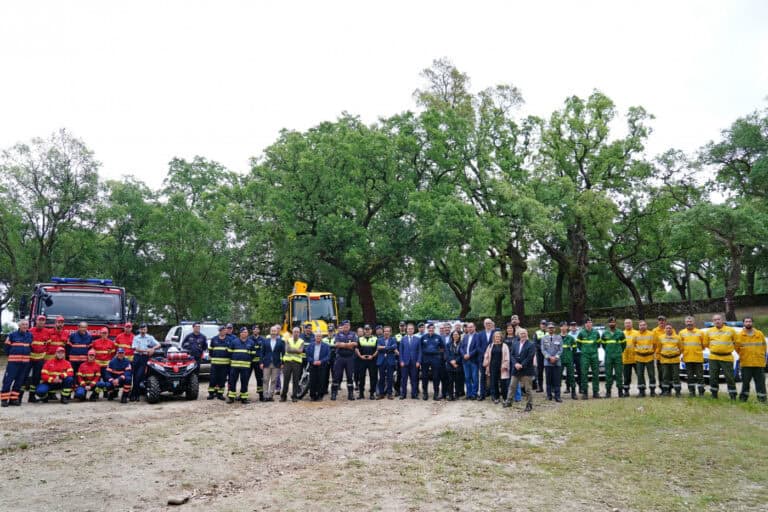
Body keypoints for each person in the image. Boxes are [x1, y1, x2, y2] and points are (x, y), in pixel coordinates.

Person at [1, 320, 33, 407]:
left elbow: (31, 348)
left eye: (26, 324)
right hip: (13, 363)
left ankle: (13, 399)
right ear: (19, 325)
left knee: (19, 381)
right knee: (8, 381)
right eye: (23, 324)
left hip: (24, 363)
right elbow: (6, 348)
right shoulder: (12, 335)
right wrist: (12, 356)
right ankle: (4, 399)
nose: (25, 326)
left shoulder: (30, 335)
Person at [503, 329, 535, 412]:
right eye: (521, 333)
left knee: (528, 389)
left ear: (527, 334)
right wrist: (515, 364)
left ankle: (529, 404)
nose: (523, 335)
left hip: (527, 369)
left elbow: (530, 357)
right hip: (516, 369)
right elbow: (512, 355)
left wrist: (522, 365)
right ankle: (509, 401)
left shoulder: (531, 344)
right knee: (512, 386)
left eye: (524, 333)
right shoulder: (515, 343)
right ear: (518, 335)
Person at [707, 314, 737, 400]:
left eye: (718, 319)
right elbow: (706, 343)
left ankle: (733, 396)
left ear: (722, 320)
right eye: (715, 320)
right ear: (713, 321)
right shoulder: (709, 331)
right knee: (713, 377)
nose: (717, 321)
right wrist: (716, 349)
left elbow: (737, 342)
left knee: (729, 378)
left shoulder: (731, 330)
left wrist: (726, 349)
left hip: (726, 357)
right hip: (714, 357)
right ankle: (714, 395)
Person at [735, 316, 766, 402]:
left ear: (752, 323)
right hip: (746, 363)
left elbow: (764, 347)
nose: (748, 323)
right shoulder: (739, 335)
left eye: (750, 321)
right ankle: (743, 399)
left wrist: (761, 356)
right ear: (743, 323)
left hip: (758, 363)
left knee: (760, 383)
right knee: (745, 383)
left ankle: (762, 400)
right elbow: (737, 348)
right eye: (746, 321)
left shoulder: (759, 334)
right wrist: (744, 355)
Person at [130, 323, 160, 402]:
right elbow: (135, 348)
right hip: (137, 357)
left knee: (140, 376)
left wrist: (153, 349)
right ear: (139, 330)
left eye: (144, 329)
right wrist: (147, 350)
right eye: (141, 329)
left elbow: (158, 345)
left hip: (144, 358)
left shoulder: (150, 337)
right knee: (135, 376)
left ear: (146, 330)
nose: (143, 331)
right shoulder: (136, 338)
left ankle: (135, 394)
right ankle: (134, 394)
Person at [679, 316, 707, 396]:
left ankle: (701, 392)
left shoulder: (700, 332)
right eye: (687, 322)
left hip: (698, 358)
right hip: (687, 358)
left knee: (700, 377)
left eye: (690, 321)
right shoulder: (682, 333)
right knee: (690, 377)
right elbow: (680, 346)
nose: (689, 323)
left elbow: (704, 345)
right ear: (685, 323)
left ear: (694, 322)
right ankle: (692, 392)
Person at [26, 315, 51, 402]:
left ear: (45, 322)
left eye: (43, 320)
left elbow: (48, 346)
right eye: (39, 320)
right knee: (24, 377)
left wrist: (44, 355)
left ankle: (31, 397)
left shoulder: (47, 332)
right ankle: (18, 397)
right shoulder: (30, 331)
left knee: (36, 378)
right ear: (36, 321)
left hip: (40, 360)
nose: (41, 322)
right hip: (29, 359)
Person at [331, 320, 357, 401]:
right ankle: (334, 393)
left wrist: (343, 345)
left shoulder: (353, 334)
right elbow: (337, 344)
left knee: (350, 376)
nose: (346, 327)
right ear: (343, 327)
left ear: (349, 326)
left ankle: (350, 394)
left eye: (348, 326)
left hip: (350, 358)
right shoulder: (338, 334)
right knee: (336, 376)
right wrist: (348, 345)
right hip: (340, 358)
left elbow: (355, 344)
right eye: (345, 326)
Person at [600, 317, 626, 398]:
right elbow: (604, 345)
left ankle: (620, 392)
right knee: (608, 375)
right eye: (610, 322)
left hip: (618, 356)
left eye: (613, 322)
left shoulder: (620, 333)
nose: (612, 324)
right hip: (608, 356)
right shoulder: (605, 333)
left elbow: (623, 345)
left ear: (616, 323)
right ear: (608, 324)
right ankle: (608, 392)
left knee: (619, 374)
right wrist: (609, 351)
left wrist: (618, 352)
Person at [228, 327, 254, 404]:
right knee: (232, 381)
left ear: (247, 333)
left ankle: (244, 398)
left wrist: (248, 359)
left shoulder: (251, 342)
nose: (244, 333)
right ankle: (231, 397)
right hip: (234, 366)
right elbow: (229, 352)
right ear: (240, 333)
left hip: (245, 366)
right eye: (242, 332)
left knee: (244, 382)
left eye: (245, 332)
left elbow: (253, 354)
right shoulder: (234, 342)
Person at [576, 318, 601, 399]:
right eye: (588, 322)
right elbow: (578, 344)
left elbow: (598, 344)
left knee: (596, 374)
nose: (589, 324)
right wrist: (584, 351)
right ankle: (585, 393)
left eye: (591, 322)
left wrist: (593, 351)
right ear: (585, 324)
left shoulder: (596, 332)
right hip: (584, 356)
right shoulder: (581, 333)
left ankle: (596, 392)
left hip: (594, 355)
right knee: (584, 374)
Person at [483, 331, 510, 404]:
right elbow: (486, 355)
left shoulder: (504, 346)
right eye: (496, 336)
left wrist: (504, 365)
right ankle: (496, 397)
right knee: (494, 383)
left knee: (503, 383)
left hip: (502, 367)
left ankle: (505, 398)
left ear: (501, 337)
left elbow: (507, 357)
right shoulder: (490, 346)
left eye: (498, 336)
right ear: (494, 338)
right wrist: (486, 363)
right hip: (492, 367)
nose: (497, 338)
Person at [260, 325, 285, 402]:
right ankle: (265, 395)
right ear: (270, 332)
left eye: (275, 331)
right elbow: (262, 353)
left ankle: (270, 396)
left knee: (274, 380)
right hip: (266, 363)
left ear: (277, 332)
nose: (273, 332)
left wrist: (282, 363)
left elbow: (283, 353)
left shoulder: (281, 342)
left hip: (276, 363)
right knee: (265, 380)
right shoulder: (265, 341)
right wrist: (261, 362)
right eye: (272, 331)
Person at [656, 324, 682, 397]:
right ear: (665, 329)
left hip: (675, 360)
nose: (668, 329)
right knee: (665, 376)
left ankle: (678, 392)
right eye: (667, 328)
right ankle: (666, 391)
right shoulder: (660, 338)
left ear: (672, 329)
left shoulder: (677, 338)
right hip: (665, 360)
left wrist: (675, 354)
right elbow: (659, 348)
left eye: (670, 328)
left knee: (676, 376)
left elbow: (681, 348)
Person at [420, 323, 444, 401]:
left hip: (435, 359)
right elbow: (420, 348)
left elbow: (443, 348)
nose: (431, 329)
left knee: (436, 377)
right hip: (425, 359)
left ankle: (436, 394)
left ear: (434, 329)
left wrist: (437, 353)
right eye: (429, 328)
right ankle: (425, 393)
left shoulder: (438, 337)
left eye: (432, 328)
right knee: (424, 376)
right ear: (427, 329)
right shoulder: (423, 337)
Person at [633, 320, 658, 397]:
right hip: (639, 358)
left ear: (646, 325)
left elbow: (655, 345)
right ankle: (641, 391)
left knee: (651, 375)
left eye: (644, 325)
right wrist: (638, 351)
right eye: (641, 325)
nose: (642, 326)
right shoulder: (635, 335)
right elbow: (634, 345)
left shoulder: (651, 334)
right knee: (640, 375)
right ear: (638, 326)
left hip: (649, 357)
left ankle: (652, 391)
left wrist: (651, 351)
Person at [652, 315, 675, 395]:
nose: (661, 322)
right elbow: (653, 344)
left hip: (669, 357)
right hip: (660, 357)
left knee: (669, 373)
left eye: (663, 320)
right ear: (658, 322)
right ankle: (663, 389)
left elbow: (675, 341)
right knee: (661, 373)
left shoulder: (671, 330)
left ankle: (670, 389)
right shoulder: (654, 331)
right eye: (660, 320)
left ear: (665, 321)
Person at [541, 322, 563, 402]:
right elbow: (543, 349)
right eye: (549, 328)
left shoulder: (559, 337)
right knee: (548, 379)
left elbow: (561, 349)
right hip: (548, 362)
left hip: (557, 362)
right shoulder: (544, 338)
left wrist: (555, 357)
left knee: (557, 379)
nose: (551, 329)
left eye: (552, 328)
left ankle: (557, 396)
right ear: (547, 329)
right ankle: (549, 395)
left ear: (554, 329)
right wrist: (549, 357)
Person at [355, 324, 379, 400]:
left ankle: (372, 393)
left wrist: (373, 356)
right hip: (362, 360)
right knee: (361, 377)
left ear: (371, 330)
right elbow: (356, 349)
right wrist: (360, 356)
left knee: (373, 377)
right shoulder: (360, 339)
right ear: (364, 330)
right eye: (366, 329)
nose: (367, 331)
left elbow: (378, 349)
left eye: (368, 329)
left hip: (372, 360)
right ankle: (361, 394)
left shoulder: (376, 339)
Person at [281, 327, 304, 402]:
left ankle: (294, 396)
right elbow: (287, 349)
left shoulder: (301, 341)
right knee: (286, 380)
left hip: (297, 363)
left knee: (295, 380)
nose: (296, 333)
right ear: (292, 332)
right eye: (295, 332)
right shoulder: (288, 340)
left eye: (297, 332)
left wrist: (292, 349)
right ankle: (283, 396)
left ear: (299, 333)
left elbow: (301, 351)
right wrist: (296, 350)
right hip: (287, 363)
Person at [399, 323, 421, 400]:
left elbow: (419, 351)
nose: (410, 330)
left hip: (414, 363)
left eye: (411, 329)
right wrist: (401, 361)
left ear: (414, 330)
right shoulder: (403, 339)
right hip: (404, 362)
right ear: (406, 329)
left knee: (414, 379)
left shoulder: (418, 339)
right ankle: (403, 394)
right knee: (404, 379)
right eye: (409, 329)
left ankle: (414, 394)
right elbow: (400, 351)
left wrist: (418, 361)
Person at [306, 333, 331, 401]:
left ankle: (320, 395)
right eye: (317, 336)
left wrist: (321, 361)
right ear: (315, 337)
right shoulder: (310, 345)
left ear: (321, 337)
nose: (318, 337)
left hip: (322, 365)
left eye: (320, 336)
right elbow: (307, 355)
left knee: (321, 380)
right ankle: (312, 395)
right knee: (312, 380)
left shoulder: (326, 346)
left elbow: (328, 356)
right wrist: (312, 361)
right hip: (312, 365)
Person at [208, 326, 231, 400]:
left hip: (225, 364)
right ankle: (211, 394)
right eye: (223, 330)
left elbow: (230, 351)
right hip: (215, 364)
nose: (224, 332)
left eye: (225, 330)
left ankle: (220, 394)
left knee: (222, 379)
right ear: (220, 331)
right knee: (213, 378)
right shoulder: (214, 339)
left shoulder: (229, 340)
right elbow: (211, 350)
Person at [477, 319, 497, 401]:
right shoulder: (480, 334)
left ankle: (493, 395)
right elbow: (478, 346)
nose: (488, 324)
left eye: (489, 323)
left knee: (493, 377)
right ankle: (482, 394)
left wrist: (490, 354)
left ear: (492, 324)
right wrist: (485, 354)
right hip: (482, 358)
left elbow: (497, 344)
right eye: (486, 323)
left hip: (493, 358)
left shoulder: (495, 333)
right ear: (484, 324)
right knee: (483, 377)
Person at [376, 326, 398, 399]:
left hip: (390, 360)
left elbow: (394, 346)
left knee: (390, 378)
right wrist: (389, 347)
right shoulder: (379, 339)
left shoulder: (393, 339)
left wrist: (384, 347)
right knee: (381, 378)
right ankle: (381, 393)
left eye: (388, 331)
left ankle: (389, 393)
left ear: (390, 332)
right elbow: (378, 347)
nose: (386, 332)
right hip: (381, 361)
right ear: (383, 332)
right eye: (385, 331)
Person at [460, 322, 480, 400]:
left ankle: (474, 393)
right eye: (468, 327)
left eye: (471, 327)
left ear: (474, 327)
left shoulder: (477, 336)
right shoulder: (465, 337)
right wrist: (464, 354)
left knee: (474, 378)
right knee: (467, 377)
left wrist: (469, 355)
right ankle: (468, 393)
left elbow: (477, 348)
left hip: (473, 360)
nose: (470, 328)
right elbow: (461, 347)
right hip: (465, 360)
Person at [560, 322, 577, 399]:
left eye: (565, 326)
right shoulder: (557, 338)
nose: (564, 328)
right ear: (560, 328)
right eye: (562, 326)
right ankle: (557, 393)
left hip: (569, 359)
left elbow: (574, 349)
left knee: (571, 376)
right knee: (558, 376)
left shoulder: (571, 338)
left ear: (567, 328)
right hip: (559, 360)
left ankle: (573, 393)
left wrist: (570, 356)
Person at [444, 330, 463, 401]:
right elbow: (446, 354)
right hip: (449, 365)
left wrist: (456, 361)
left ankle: (457, 394)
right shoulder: (448, 344)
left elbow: (461, 355)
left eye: (457, 334)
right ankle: (450, 395)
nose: (455, 336)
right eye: (454, 335)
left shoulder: (461, 344)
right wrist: (451, 361)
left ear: (459, 336)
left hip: (458, 365)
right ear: (452, 336)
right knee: (450, 381)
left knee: (458, 381)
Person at [621, 319, 638, 398]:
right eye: (626, 323)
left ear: (632, 324)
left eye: (629, 323)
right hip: (626, 358)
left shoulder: (636, 333)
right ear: (624, 325)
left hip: (636, 358)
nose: (628, 324)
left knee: (640, 375)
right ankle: (626, 391)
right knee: (626, 376)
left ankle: (642, 390)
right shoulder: (621, 333)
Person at [249, 325, 266, 401]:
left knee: (260, 379)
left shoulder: (263, 339)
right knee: (246, 378)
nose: (256, 330)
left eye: (257, 329)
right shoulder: (249, 339)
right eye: (254, 329)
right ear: (253, 331)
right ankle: (243, 394)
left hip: (259, 362)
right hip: (250, 362)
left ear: (259, 331)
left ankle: (261, 395)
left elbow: (265, 351)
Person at [532, 319, 547, 392]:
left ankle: (549, 387)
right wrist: (543, 349)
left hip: (548, 355)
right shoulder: (536, 333)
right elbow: (535, 344)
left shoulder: (549, 332)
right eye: (542, 324)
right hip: (540, 355)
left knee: (548, 371)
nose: (543, 325)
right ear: (540, 325)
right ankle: (540, 387)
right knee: (539, 371)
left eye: (544, 324)